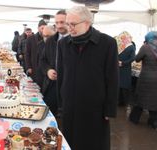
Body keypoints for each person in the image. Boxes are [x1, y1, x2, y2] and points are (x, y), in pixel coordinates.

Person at [57, 6, 118, 150]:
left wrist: (110, 109)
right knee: (71, 142)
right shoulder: (63, 44)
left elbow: (112, 78)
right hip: (70, 105)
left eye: (73, 24)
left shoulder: (107, 43)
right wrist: (61, 104)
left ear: (87, 23)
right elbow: (61, 75)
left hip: (94, 107)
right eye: (68, 23)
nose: (69, 28)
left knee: (93, 143)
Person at [129, 31, 157, 129]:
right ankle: (153, 122)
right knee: (155, 100)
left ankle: (134, 119)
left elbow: (137, 59)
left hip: (146, 77)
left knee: (141, 98)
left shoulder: (145, 47)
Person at [41, 9, 68, 117]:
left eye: (62, 22)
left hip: (69, 87)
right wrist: (48, 71)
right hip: (52, 85)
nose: (59, 25)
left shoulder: (76, 40)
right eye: (57, 23)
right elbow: (43, 60)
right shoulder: (51, 41)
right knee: (49, 116)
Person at [117, 31, 136, 106]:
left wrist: (122, 63)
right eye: (122, 38)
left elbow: (132, 58)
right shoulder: (122, 46)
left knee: (124, 85)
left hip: (125, 68)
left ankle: (125, 102)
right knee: (120, 85)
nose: (123, 40)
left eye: (124, 38)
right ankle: (120, 101)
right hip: (120, 68)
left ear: (128, 38)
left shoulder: (131, 47)